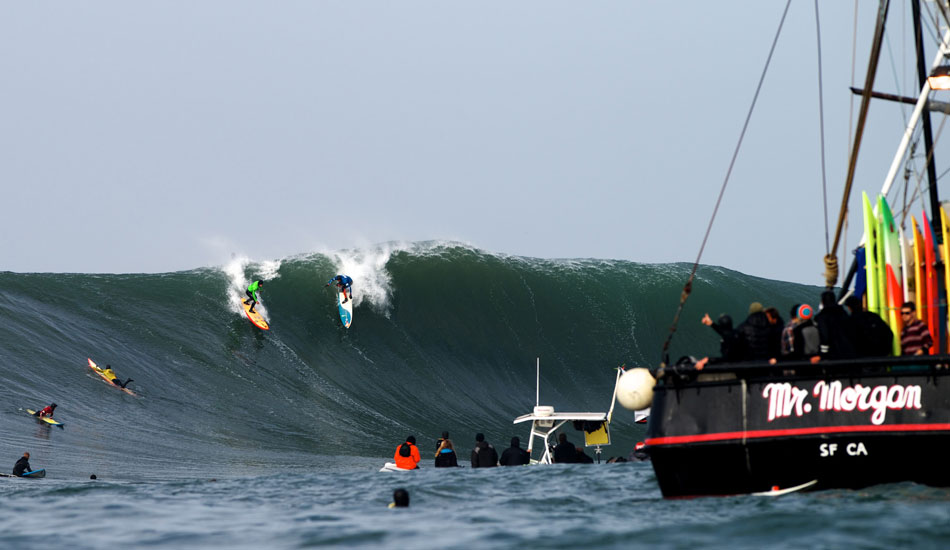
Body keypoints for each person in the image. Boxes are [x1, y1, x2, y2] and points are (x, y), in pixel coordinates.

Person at [813, 291, 857, 360]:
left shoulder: (822, 317)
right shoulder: (844, 313)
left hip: (833, 354)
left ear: (823, 302)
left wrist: (823, 355)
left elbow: (825, 336)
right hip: (849, 352)